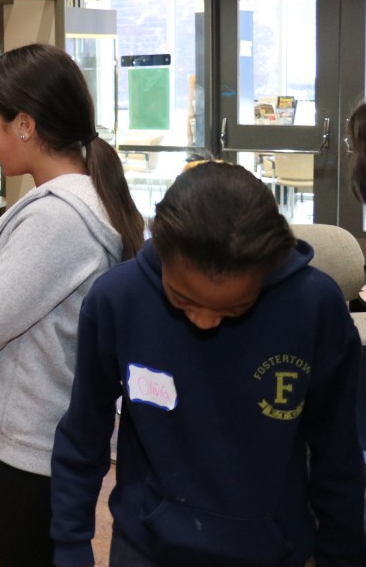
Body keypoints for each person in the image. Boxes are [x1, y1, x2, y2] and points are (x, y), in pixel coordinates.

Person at [51, 161, 366, 566]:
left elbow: (336, 459)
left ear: (268, 266)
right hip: (147, 547)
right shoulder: (118, 300)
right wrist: (70, 547)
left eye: (234, 307)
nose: (204, 320)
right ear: (161, 254)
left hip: (273, 550)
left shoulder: (313, 308)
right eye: (183, 300)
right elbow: (83, 436)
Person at [0, 44, 143, 567]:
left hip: (34, 449)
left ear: (24, 125)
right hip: (43, 439)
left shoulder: (58, 219)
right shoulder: (70, 201)